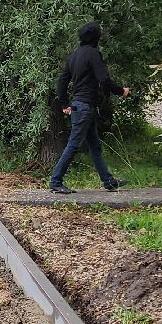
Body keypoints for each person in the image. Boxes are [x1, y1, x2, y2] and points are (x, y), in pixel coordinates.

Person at [49, 21, 130, 194]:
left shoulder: (74, 55)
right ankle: (56, 181)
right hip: (85, 108)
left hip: (82, 107)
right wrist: (121, 91)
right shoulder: (93, 54)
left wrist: (64, 104)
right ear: (96, 37)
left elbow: (62, 81)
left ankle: (109, 182)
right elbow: (104, 79)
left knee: (94, 146)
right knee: (73, 145)